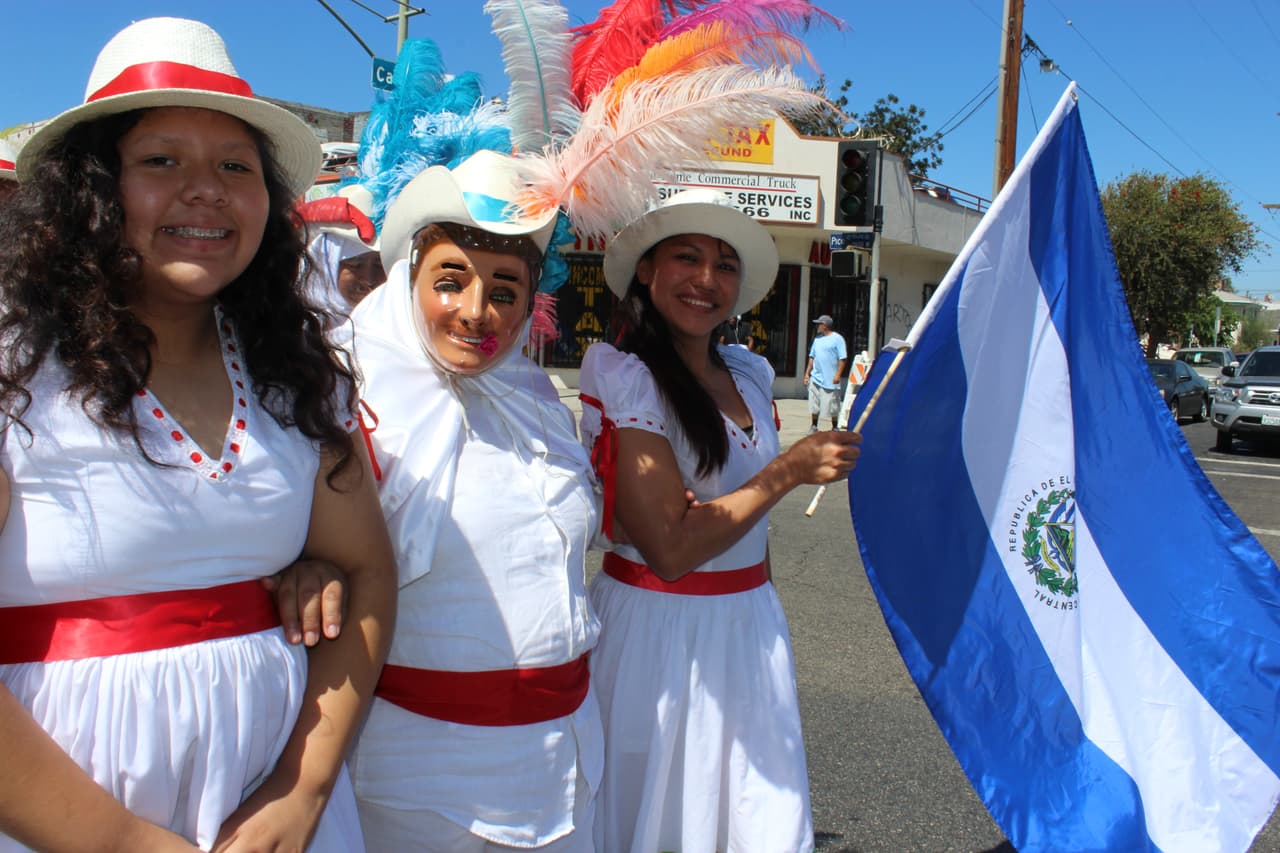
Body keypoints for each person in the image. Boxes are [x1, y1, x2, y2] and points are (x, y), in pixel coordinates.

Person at [0, 18, 395, 852]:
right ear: (91, 190)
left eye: (233, 166)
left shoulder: (295, 376)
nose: (206, 189)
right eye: (161, 160)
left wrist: (301, 790)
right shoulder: (12, 369)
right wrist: (128, 842)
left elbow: (366, 575)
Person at [578, 189, 862, 853]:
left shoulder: (750, 372)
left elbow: (742, 535)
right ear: (646, 270)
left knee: (752, 817)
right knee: (661, 818)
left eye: (726, 265)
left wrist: (757, 607)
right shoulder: (624, 375)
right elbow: (671, 548)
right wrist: (787, 471)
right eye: (688, 257)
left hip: (748, 626)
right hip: (657, 636)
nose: (708, 279)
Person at [346, 150, 602, 852]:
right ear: (408, 280)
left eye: (505, 289)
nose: (476, 311)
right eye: (450, 280)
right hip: (425, 786)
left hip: (569, 758)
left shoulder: (538, 401)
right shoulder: (347, 399)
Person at [297, 184, 386, 328]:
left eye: (379, 264)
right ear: (325, 266)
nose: (369, 279)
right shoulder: (294, 330)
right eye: (355, 265)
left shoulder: (404, 325)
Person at [805, 313, 848, 432]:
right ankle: (814, 425)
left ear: (825, 326)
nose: (817, 326)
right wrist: (807, 373)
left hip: (830, 378)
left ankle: (834, 427)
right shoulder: (817, 339)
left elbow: (842, 358)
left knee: (833, 404)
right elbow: (811, 357)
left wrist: (838, 374)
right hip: (816, 377)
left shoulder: (837, 339)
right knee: (814, 402)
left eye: (819, 324)